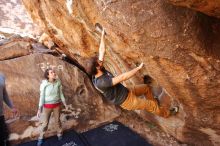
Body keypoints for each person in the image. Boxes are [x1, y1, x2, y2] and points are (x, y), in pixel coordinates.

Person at [87, 28, 178, 118]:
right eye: (98, 62)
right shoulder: (102, 82)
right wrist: (137, 68)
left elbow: (101, 50)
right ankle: (168, 113)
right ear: (97, 67)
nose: (100, 61)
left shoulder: (99, 69)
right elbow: (123, 77)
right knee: (150, 105)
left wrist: (102, 35)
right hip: (126, 101)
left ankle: (155, 106)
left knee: (146, 88)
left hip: (127, 91)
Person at [36, 68, 67, 146]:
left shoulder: (58, 82)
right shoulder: (44, 84)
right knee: (45, 123)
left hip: (57, 105)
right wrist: (39, 109)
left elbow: (61, 94)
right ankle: (41, 137)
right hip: (47, 107)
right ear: (48, 75)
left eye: (54, 72)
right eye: (51, 72)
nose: (54, 73)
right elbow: (42, 96)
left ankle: (59, 134)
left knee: (58, 121)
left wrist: (65, 103)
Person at [0, 73, 18, 146]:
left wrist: (12, 106)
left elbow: (4, 94)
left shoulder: (1, 76)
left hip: (0, 114)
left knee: (2, 137)